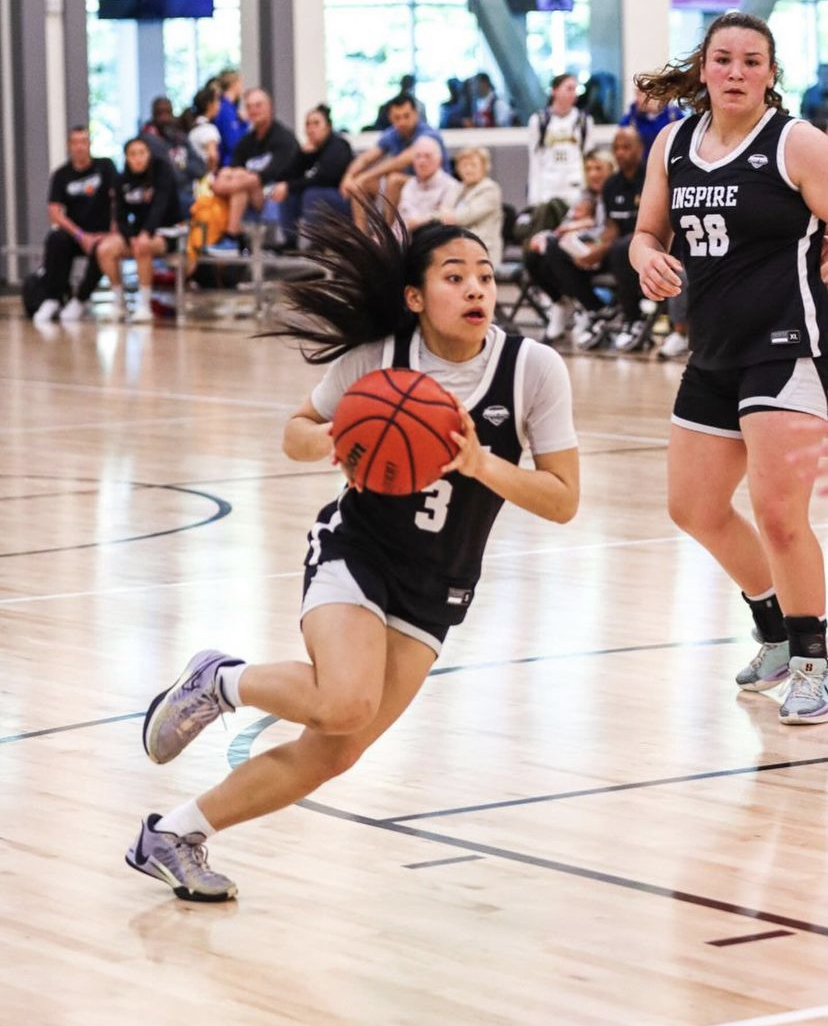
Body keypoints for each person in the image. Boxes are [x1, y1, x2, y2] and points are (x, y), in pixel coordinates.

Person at [124, 198, 580, 901]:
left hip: (441, 582)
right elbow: (296, 431)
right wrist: (337, 441)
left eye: (486, 277)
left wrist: (481, 464)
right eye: (455, 277)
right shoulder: (379, 361)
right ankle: (219, 681)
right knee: (343, 699)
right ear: (415, 297)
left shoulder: (532, 371)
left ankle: (174, 834)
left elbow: (563, 499)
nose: (476, 290)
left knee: (338, 749)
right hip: (358, 550)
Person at [630, 11, 828, 724]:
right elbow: (647, 232)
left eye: (752, 61)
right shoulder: (673, 145)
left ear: (772, 73)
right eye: (724, 60)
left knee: (780, 515)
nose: (736, 72)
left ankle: (815, 659)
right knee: (695, 508)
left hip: (786, 346)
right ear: (705, 68)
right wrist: (648, 256)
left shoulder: (797, 143)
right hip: (711, 349)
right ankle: (774, 630)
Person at [526, 129, 645, 350]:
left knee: (620, 248)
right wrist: (594, 248)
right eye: (616, 148)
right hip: (610, 247)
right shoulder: (611, 186)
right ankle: (595, 309)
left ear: (640, 149)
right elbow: (611, 226)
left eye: (626, 147)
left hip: (643, 247)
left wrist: (599, 248)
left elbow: (648, 226)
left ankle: (633, 319)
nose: (620, 153)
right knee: (553, 250)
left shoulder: (650, 178)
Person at [524, 146, 615, 340]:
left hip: (604, 250)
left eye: (598, 168)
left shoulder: (614, 193)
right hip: (577, 247)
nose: (593, 174)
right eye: (589, 169)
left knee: (556, 250)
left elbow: (609, 230)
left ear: (610, 168)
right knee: (534, 254)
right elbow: (565, 225)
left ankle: (594, 307)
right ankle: (561, 302)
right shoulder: (585, 195)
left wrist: (586, 229)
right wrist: (548, 235)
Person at [32, 125, 117, 325]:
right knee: (56, 240)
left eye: (84, 142)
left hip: (102, 234)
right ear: (69, 146)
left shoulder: (105, 167)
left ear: (89, 144)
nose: (80, 147)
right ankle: (53, 298)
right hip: (76, 234)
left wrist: (113, 230)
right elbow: (54, 212)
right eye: (75, 142)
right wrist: (80, 235)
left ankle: (81, 299)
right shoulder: (61, 175)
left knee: (103, 249)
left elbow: (117, 201)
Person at [96, 137, 181, 323]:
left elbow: (160, 206)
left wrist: (145, 233)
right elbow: (120, 216)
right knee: (105, 249)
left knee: (143, 246)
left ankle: (144, 305)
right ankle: (119, 302)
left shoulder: (162, 171)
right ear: (126, 157)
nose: (138, 158)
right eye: (133, 154)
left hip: (167, 230)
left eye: (142, 153)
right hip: (137, 232)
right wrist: (130, 236)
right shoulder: (121, 180)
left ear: (149, 154)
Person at [208, 87, 302, 253]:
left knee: (244, 180)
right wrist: (229, 177)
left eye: (258, 105)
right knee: (240, 185)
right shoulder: (247, 140)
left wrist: (224, 184)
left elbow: (263, 177)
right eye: (249, 106)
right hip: (248, 196)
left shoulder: (284, 139)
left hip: (276, 197)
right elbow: (228, 169)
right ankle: (232, 235)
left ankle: (232, 237)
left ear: (270, 107)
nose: (253, 110)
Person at [339, 94, 448, 232]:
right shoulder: (392, 134)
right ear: (390, 118)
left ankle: (388, 235)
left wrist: (365, 175)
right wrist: (348, 177)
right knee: (359, 185)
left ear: (416, 114)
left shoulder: (428, 134)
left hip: (433, 184)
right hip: (409, 184)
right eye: (397, 118)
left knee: (393, 179)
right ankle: (361, 237)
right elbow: (366, 158)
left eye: (406, 116)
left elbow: (401, 161)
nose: (402, 122)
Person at [269, 104, 353, 247]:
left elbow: (324, 178)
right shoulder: (311, 150)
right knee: (288, 193)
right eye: (308, 124)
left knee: (311, 194)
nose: (311, 129)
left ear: (328, 126)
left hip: (344, 200)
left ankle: (319, 243)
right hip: (321, 195)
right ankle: (290, 242)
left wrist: (289, 186)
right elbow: (284, 177)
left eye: (316, 123)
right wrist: (301, 156)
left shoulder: (338, 145)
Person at [527, 73, 593, 209]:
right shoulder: (539, 120)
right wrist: (534, 196)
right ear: (555, 91)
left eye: (575, 89)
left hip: (574, 184)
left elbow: (588, 156)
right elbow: (535, 159)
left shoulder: (584, 120)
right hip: (548, 185)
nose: (573, 94)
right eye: (569, 88)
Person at [437, 145, 503, 265]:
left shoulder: (490, 189)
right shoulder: (457, 188)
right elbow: (442, 212)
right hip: (456, 245)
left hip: (482, 248)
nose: (468, 169)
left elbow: (462, 217)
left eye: (473, 165)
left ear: (484, 167)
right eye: (464, 165)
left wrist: (447, 215)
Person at [140, 95, 206, 213]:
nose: (164, 117)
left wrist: (181, 166)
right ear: (153, 114)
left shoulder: (179, 136)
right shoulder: (146, 140)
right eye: (160, 113)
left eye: (167, 112)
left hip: (190, 191)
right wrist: (184, 166)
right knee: (200, 210)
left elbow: (200, 168)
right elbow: (170, 176)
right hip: (166, 196)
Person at [397, 135, 462, 232]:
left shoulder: (451, 186)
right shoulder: (409, 184)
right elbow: (403, 220)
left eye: (428, 156)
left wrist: (417, 222)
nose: (422, 161)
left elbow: (446, 221)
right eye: (418, 156)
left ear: (439, 160)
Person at [619, 84, 684, 160]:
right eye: (636, 94)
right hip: (642, 167)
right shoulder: (631, 119)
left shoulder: (674, 116)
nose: (637, 99)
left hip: (668, 163)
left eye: (642, 94)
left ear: (657, 95)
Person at [213, 68, 248, 167]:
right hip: (229, 165)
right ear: (233, 84)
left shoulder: (232, 108)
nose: (242, 87)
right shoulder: (225, 110)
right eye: (240, 83)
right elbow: (233, 143)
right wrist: (244, 124)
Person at [188, 84, 222, 175]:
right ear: (210, 105)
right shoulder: (209, 129)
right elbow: (212, 156)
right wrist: (210, 172)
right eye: (217, 101)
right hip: (205, 177)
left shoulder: (194, 128)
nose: (219, 105)